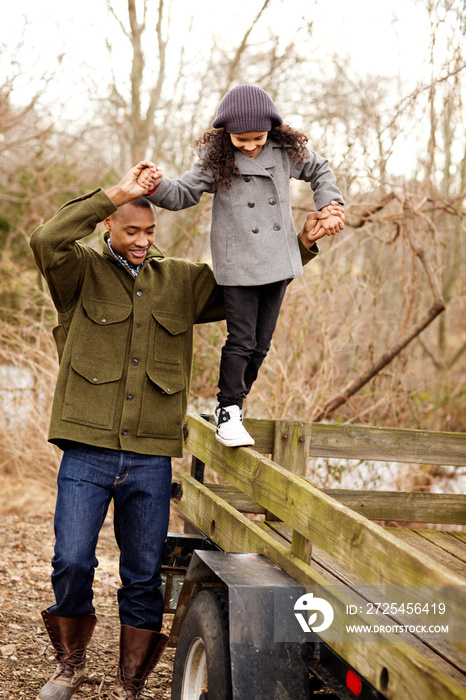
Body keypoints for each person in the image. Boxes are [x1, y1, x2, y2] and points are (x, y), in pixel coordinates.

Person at [30, 161, 338, 700]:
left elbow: (253, 277)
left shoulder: (181, 282)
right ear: (108, 227)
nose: (143, 241)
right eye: (132, 230)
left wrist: (303, 242)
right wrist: (114, 193)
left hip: (151, 457)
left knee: (145, 573)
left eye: (150, 232)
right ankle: (69, 662)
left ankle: (130, 682)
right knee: (72, 560)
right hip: (87, 449)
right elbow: (46, 236)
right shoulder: (78, 273)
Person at [146, 84, 345, 447]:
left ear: (272, 128)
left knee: (261, 345)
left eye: (257, 138)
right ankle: (228, 410)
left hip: (278, 261)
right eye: (241, 139)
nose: (250, 145)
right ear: (226, 134)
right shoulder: (214, 158)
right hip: (237, 264)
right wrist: (154, 185)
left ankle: (236, 405)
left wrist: (330, 205)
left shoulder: (286, 152)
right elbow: (181, 194)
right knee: (240, 339)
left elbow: (321, 170)